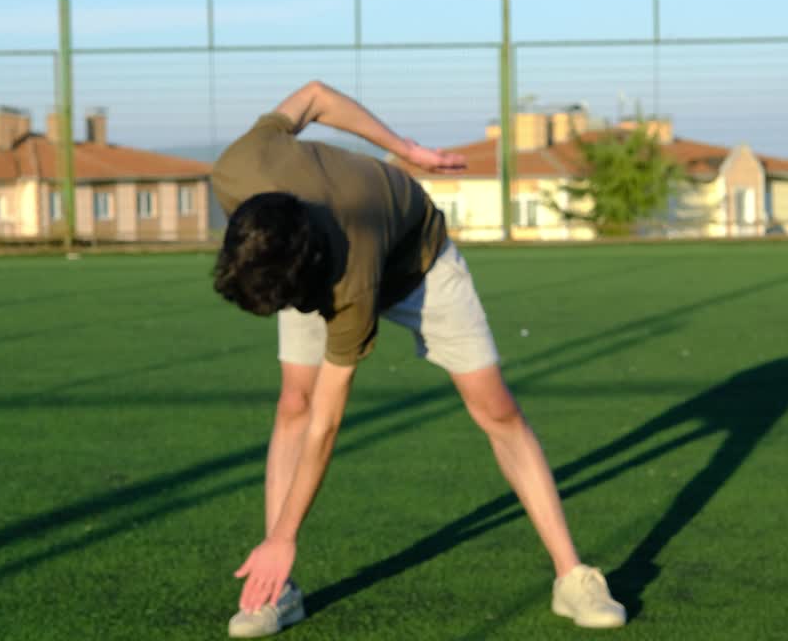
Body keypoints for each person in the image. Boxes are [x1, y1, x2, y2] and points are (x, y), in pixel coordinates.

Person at [211, 81, 627, 637]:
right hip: (306, 262)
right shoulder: (238, 170)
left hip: (417, 262)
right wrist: (404, 146)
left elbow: (329, 423)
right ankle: (275, 592)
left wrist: (283, 536)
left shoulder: (350, 281)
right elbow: (314, 96)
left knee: (495, 410)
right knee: (293, 402)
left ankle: (572, 577)